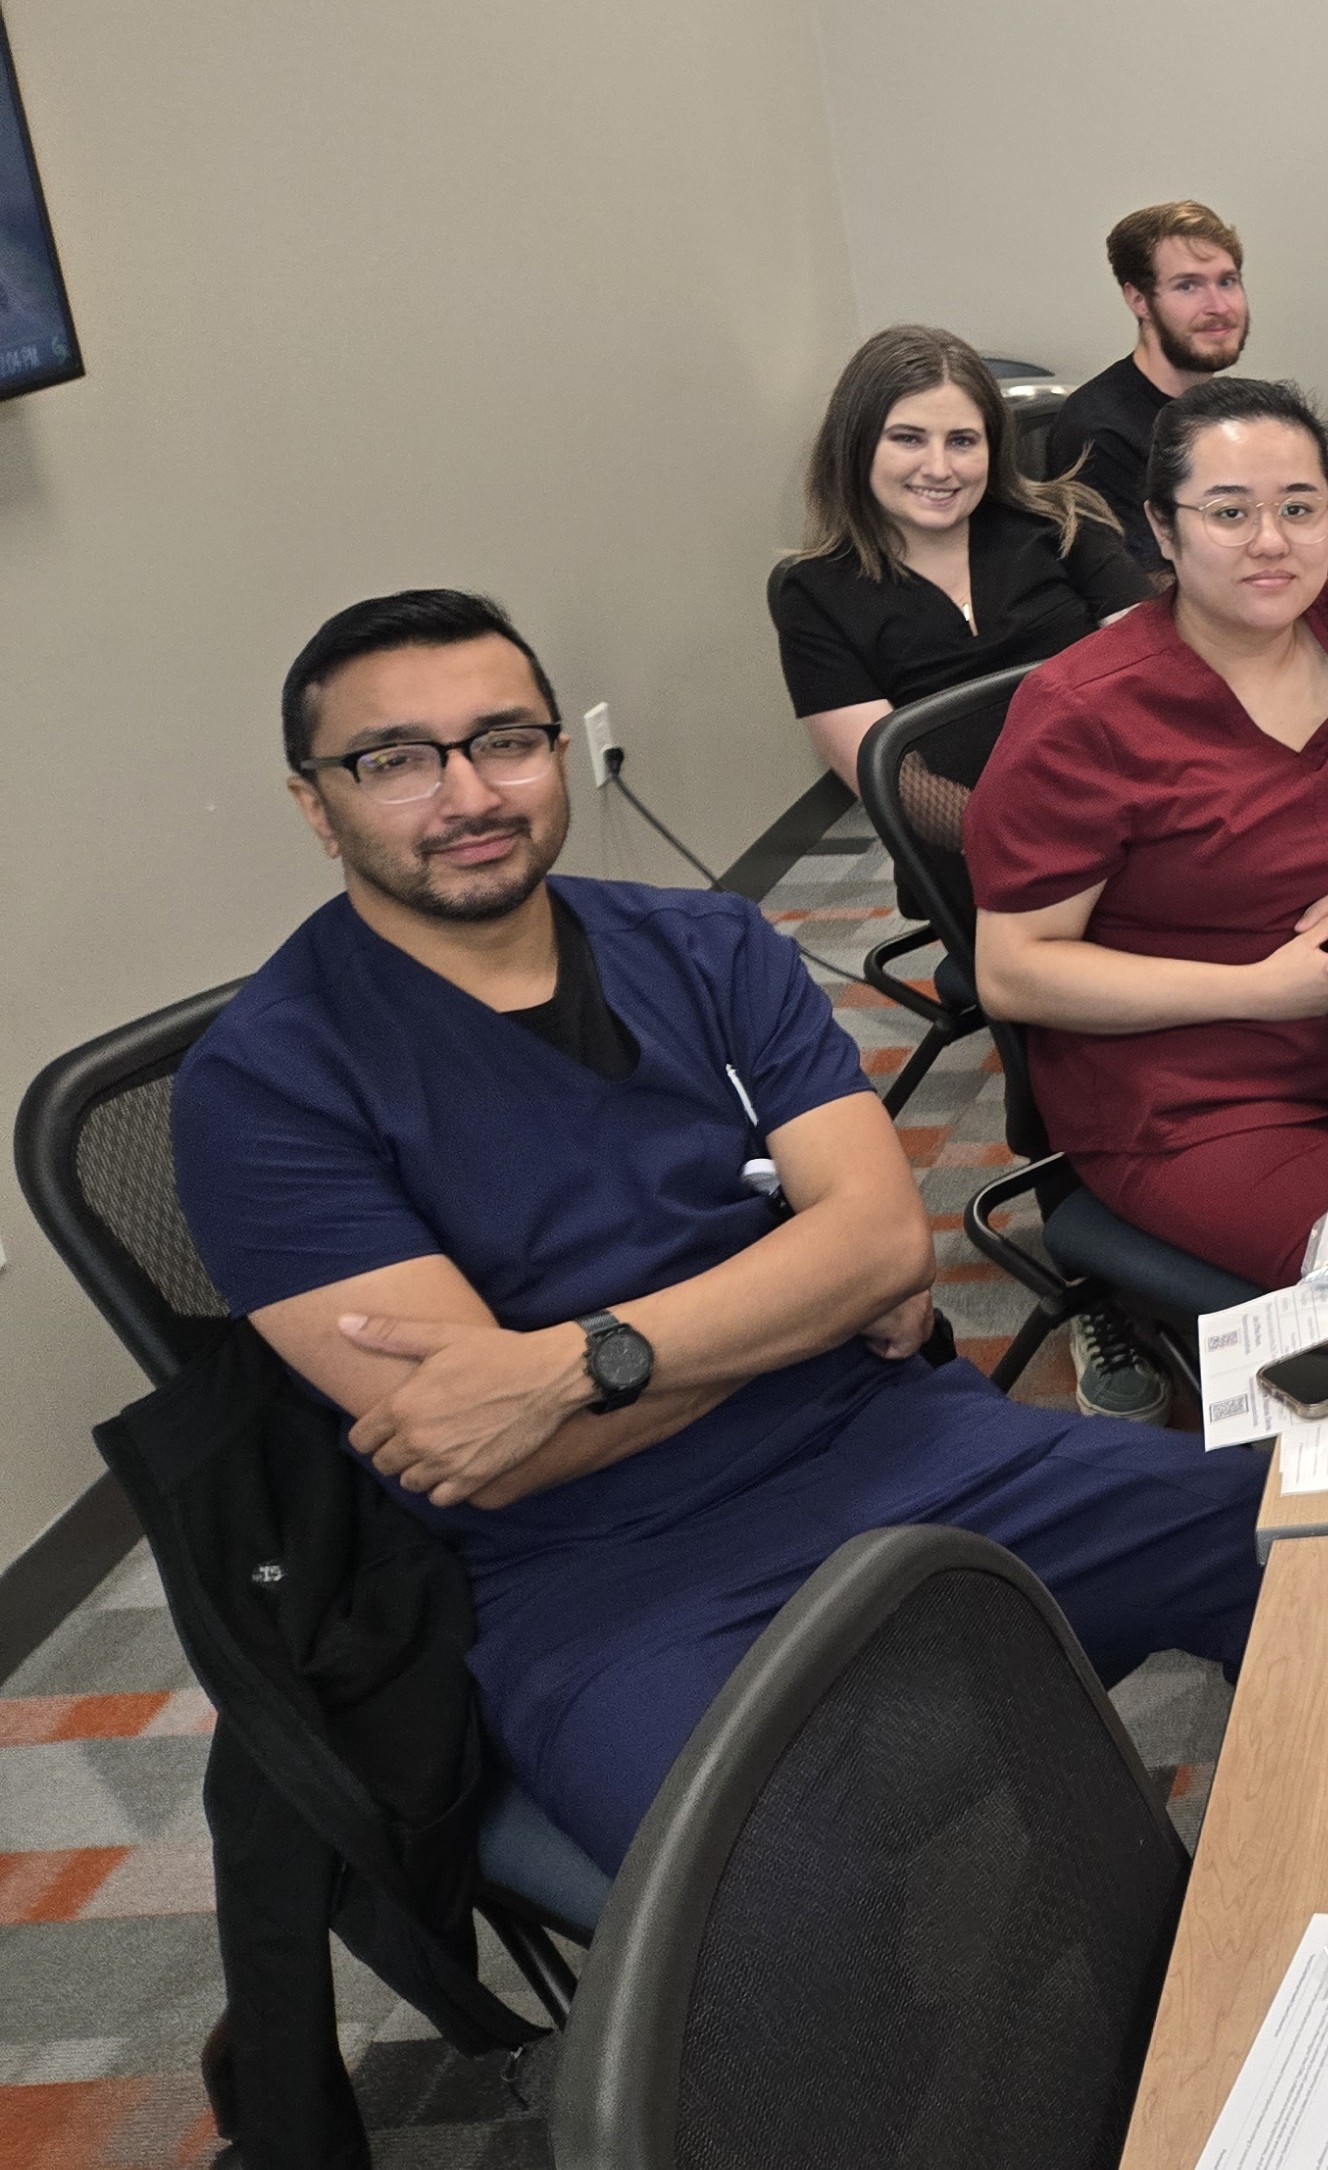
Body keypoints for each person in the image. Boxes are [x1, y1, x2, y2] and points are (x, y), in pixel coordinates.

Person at [170, 588, 1268, 1876]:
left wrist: (585, 1362)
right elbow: (490, 1452)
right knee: (770, 1891)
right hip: (609, 1580)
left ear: (555, 753)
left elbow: (881, 1251)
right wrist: (799, 1301)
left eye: (505, 742)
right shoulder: (269, 1082)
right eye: (396, 761)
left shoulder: (707, 945)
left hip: (904, 1450)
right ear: (317, 804)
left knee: (1312, 1549)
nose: (468, 795)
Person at [971, 378, 1328, 1287]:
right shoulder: (1083, 713)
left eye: (1299, 508)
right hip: (1199, 1098)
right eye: (1230, 512)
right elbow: (1014, 969)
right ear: (1161, 528)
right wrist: (1262, 991)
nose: (1272, 541)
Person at [769, 324, 1147, 795]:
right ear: (856, 446)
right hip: (976, 846)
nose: (939, 468)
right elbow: (896, 785)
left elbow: (1154, 673)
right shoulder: (814, 593)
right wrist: (1036, 842)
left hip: (1128, 802)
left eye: (962, 441)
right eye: (908, 438)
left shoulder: (1066, 522)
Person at [1049, 200, 1250, 566]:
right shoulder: (1099, 431)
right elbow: (1135, 593)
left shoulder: (1243, 416)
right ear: (1139, 300)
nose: (1219, 306)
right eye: (1188, 286)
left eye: (1227, 281)